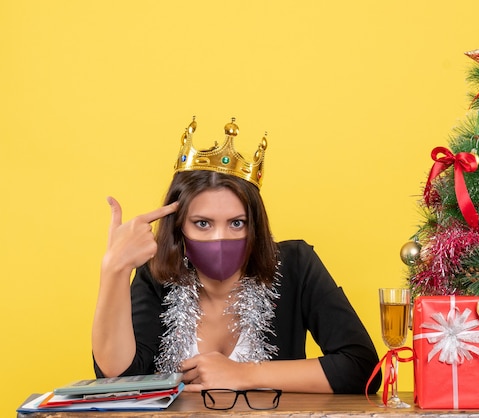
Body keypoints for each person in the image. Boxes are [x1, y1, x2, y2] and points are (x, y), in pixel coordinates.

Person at [92, 117, 382, 394]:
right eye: (202, 223)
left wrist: (243, 374)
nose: (220, 238)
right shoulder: (156, 275)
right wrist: (114, 270)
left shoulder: (295, 265)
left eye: (236, 223)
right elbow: (119, 378)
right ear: (179, 226)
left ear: (254, 224)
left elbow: (360, 367)